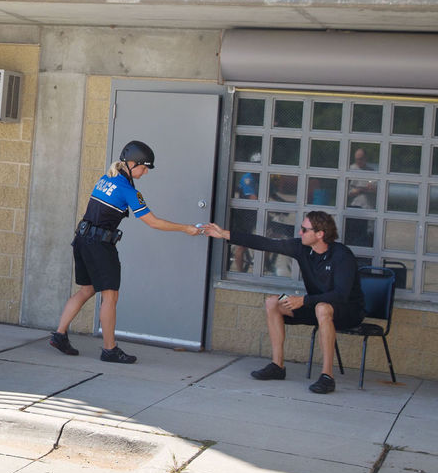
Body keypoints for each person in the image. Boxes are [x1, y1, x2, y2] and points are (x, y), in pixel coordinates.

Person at [49, 140, 203, 364]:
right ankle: (109, 349)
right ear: (132, 164)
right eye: (144, 167)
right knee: (110, 296)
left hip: (82, 240)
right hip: (100, 245)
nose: (146, 172)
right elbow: (153, 222)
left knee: (87, 289)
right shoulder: (128, 190)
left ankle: (60, 335)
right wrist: (186, 228)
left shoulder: (107, 179)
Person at [204, 211, 364, 394]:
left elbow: (340, 295)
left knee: (322, 308)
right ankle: (277, 366)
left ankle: (327, 376)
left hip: (348, 312)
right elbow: (266, 243)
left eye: (304, 229)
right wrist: (224, 234)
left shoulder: (342, 255)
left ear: (320, 234)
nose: (300, 232)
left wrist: (303, 300)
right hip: (314, 304)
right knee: (273, 302)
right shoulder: (301, 248)